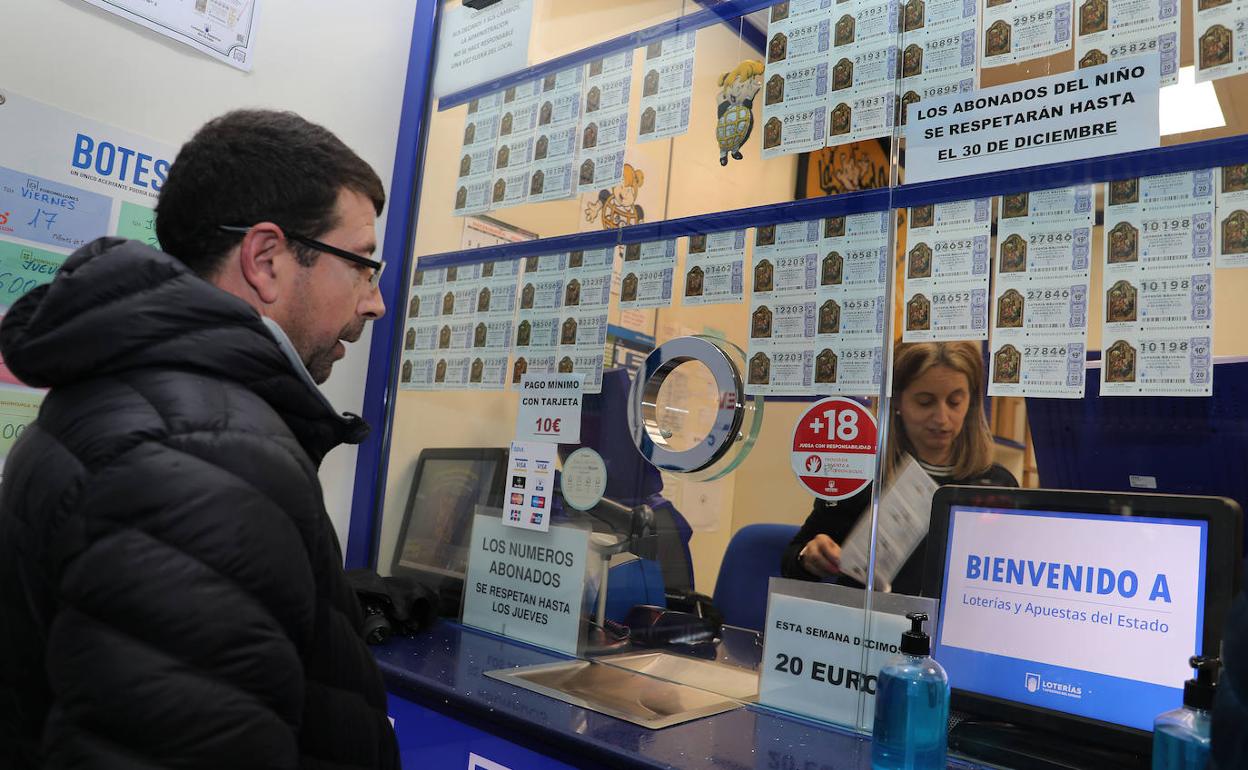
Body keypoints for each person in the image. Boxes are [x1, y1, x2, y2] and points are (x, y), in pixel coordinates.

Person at [0, 110, 399, 768]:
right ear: (266, 260)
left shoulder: (129, 403)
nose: (375, 301)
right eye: (362, 264)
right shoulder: (201, 461)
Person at [781, 341, 1018, 595]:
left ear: (970, 403)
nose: (941, 418)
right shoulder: (862, 478)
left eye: (955, 402)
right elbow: (792, 560)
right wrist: (810, 556)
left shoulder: (997, 484)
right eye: (925, 402)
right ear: (896, 403)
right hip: (869, 628)